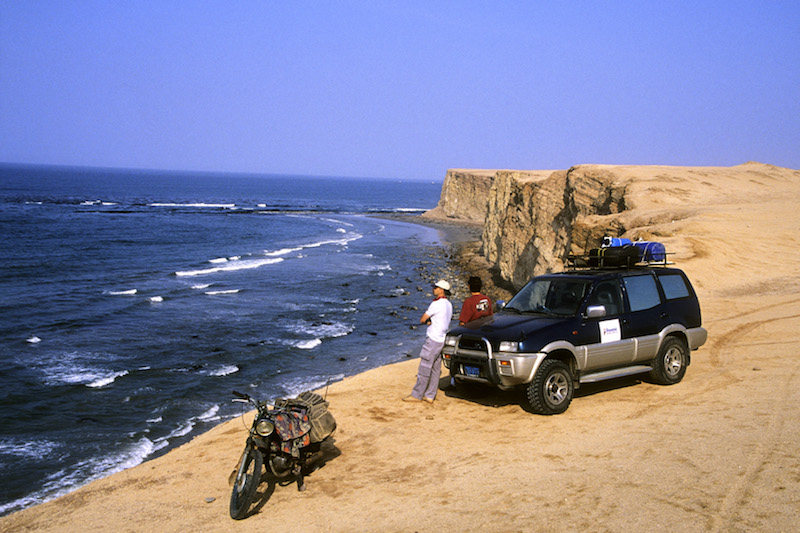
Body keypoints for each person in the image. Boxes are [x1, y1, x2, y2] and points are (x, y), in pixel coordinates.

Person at [403, 279, 453, 404]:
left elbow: (423, 319)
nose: (433, 289)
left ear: (441, 290)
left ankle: (417, 395)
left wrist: (428, 322)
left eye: (436, 287)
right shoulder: (448, 304)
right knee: (436, 369)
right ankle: (430, 395)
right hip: (442, 339)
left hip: (433, 339)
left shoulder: (436, 304)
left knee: (425, 368)